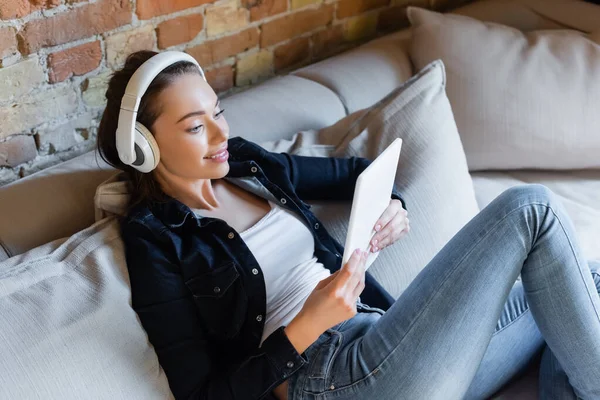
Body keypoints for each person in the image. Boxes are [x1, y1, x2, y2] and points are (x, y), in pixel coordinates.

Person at [96, 50, 600, 400]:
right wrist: (305, 327)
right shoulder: (155, 238)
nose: (222, 132)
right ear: (145, 146)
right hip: (333, 376)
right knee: (530, 209)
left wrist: (393, 204)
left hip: (394, 344)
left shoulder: (248, 164)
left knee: (589, 277)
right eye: (195, 126)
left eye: (218, 112)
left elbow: (359, 174)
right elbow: (202, 394)